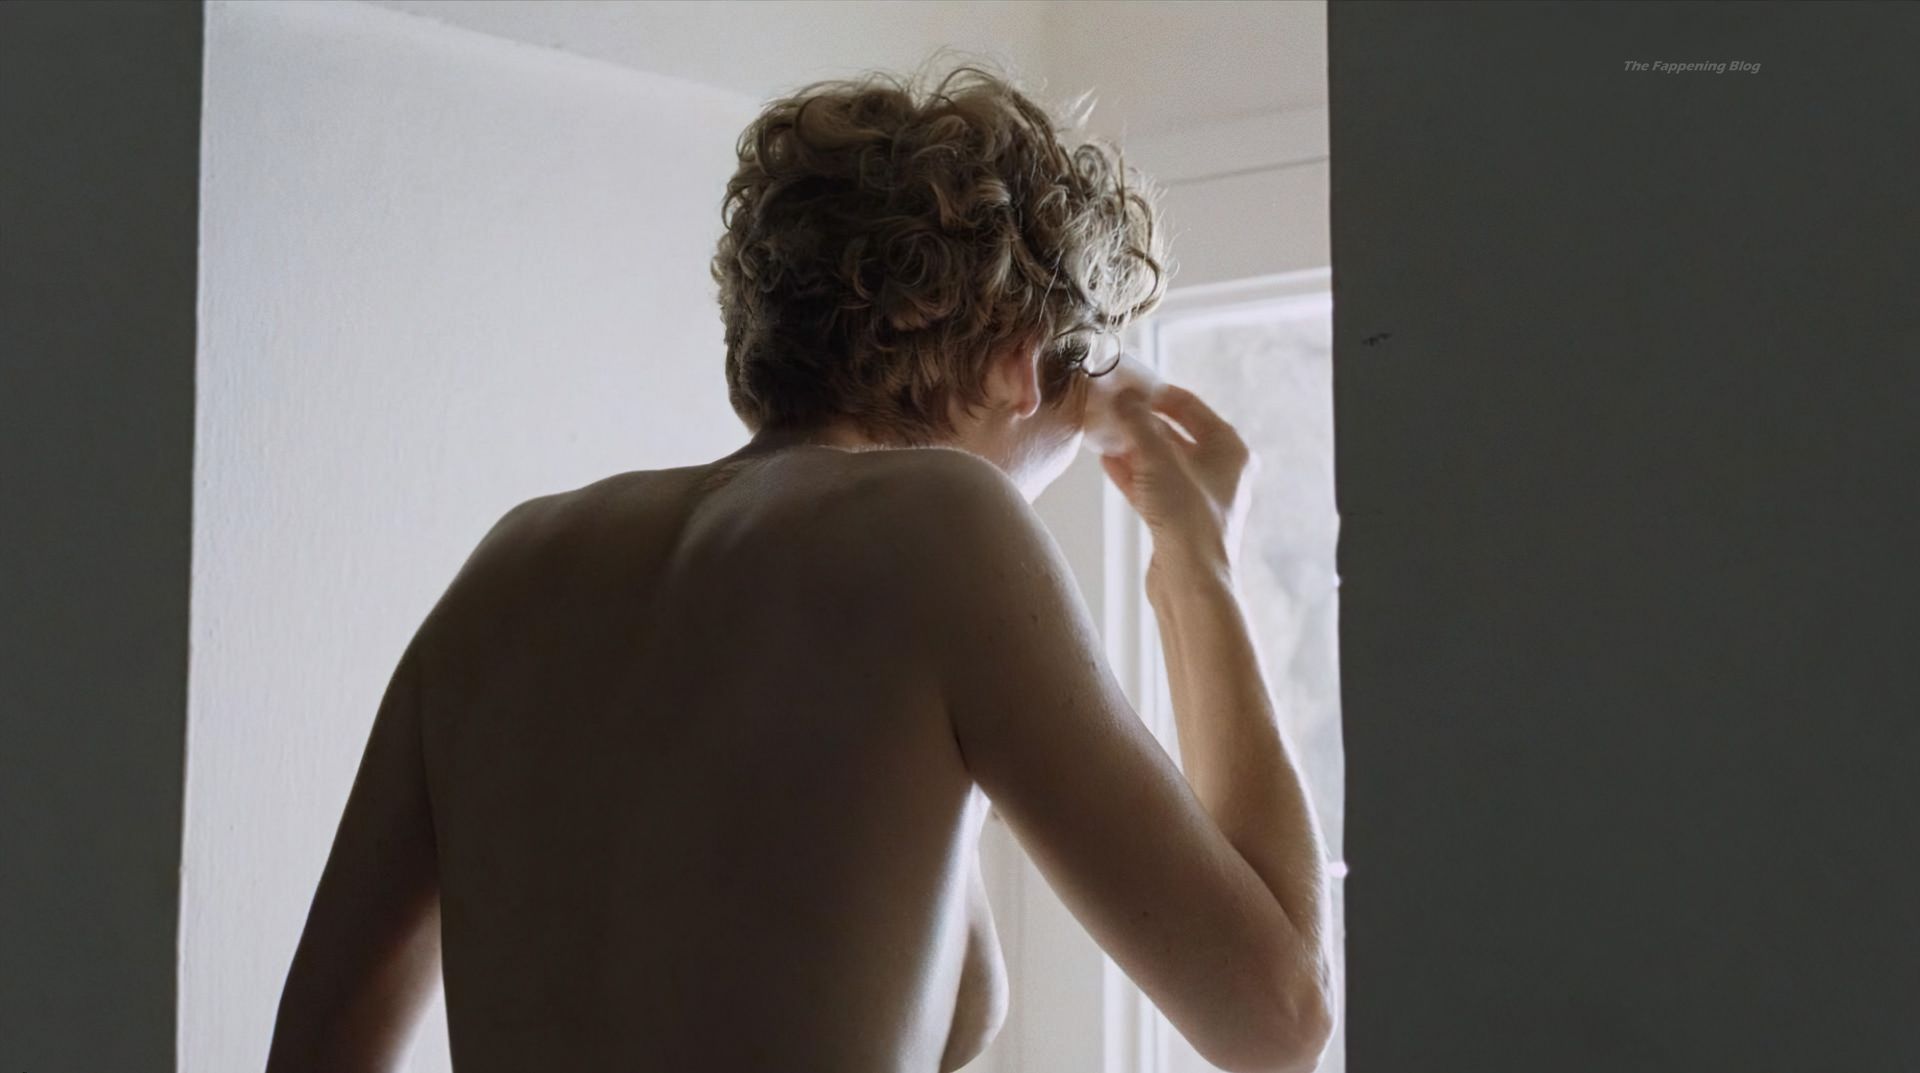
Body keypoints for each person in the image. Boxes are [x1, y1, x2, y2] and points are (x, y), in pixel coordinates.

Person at [265, 62, 1335, 1073]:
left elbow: (313, 1050)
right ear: (1021, 357)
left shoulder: (511, 564)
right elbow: (1278, 1019)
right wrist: (1198, 562)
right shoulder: (944, 526)